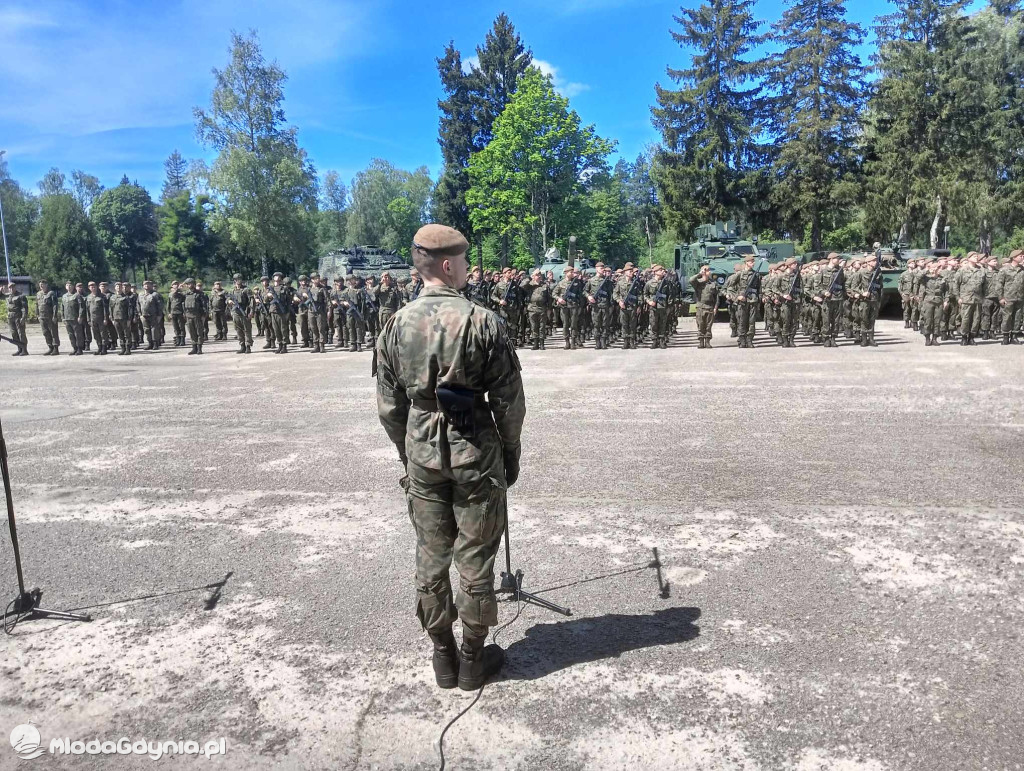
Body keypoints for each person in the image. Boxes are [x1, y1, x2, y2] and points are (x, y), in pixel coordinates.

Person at [375, 223, 526, 691]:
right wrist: (509, 452)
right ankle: (471, 658)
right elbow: (509, 401)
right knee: (475, 554)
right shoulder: (484, 320)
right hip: (475, 449)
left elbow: (388, 405)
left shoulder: (396, 324)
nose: (467, 267)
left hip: (422, 449)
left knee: (431, 552)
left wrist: (409, 453)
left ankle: (442, 653)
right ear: (447, 264)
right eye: (463, 261)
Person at [689, 264, 719, 349]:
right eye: (706, 270)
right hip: (700, 307)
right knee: (700, 324)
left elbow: (717, 297)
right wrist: (700, 274)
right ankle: (701, 341)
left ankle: (708, 341)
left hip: (710, 306)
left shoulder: (713, 283)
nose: (708, 272)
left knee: (709, 326)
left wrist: (715, 307)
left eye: (708, 270)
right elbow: (691, 280)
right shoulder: (698, 282)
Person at [229, 274, 254, 353]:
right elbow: (228, 298)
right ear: (234, 280)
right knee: (238, 330)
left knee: (247, 329)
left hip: (244, 312)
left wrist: (251, 312)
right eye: (236, 279)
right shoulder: (232, 290)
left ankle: (248, 346)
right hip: (236, 312)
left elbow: (252, 302)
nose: (238, 280)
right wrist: (228, 301)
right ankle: (242, 346)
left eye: (239, 279)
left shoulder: (246, 290)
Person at [61, 280, 86, 355]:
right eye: (67, 285)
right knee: (70, 334)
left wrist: (80, 316)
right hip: (67, 318)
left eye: (70, 285)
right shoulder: (64, 296)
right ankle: (74, 348)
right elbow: (62, 307)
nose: (69, 287)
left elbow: (81, 307)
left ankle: (79, 348)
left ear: (73, 287)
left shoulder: (77, 295)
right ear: (66, 287)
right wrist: (63, 317)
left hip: (75, 318)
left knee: (78, 334)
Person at [36, 279, 61, 355]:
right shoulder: (38, 294)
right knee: (45, 332)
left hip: (50, 316)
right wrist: (37, 315)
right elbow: (36, 305)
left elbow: (55, 305)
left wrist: (54, 315)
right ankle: (50, 347)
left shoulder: (51, 293)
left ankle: (56, 348)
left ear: (46, 285)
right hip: (42, 317)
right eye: (40, 284)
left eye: (43, 284)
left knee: (53, 332)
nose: (41, 285)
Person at [3, 283, 29, 355]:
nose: (11, 289)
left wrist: (23, 318)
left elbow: (24, 308)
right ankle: (19, 349)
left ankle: (24, 350)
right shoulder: (8, 296)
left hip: (18, 317)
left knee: (21, 334)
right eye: (10, 288)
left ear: (15, 287)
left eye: (12, 287)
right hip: (10, 318)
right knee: (14, 334)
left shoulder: (21, 296)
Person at [86, 281, 110, 355]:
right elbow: (87, 309)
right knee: (96, 334)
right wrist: (88, 319)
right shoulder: (88, 297)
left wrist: (105, 318)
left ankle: (104, 348)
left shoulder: (102, 296)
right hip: (93, 319)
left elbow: (105, 309)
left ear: (96, 287)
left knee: (103, 334)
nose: (93, 288)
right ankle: (99, 347)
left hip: (101, 318)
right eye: (91, 287)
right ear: (89, 288)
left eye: (94, 286)